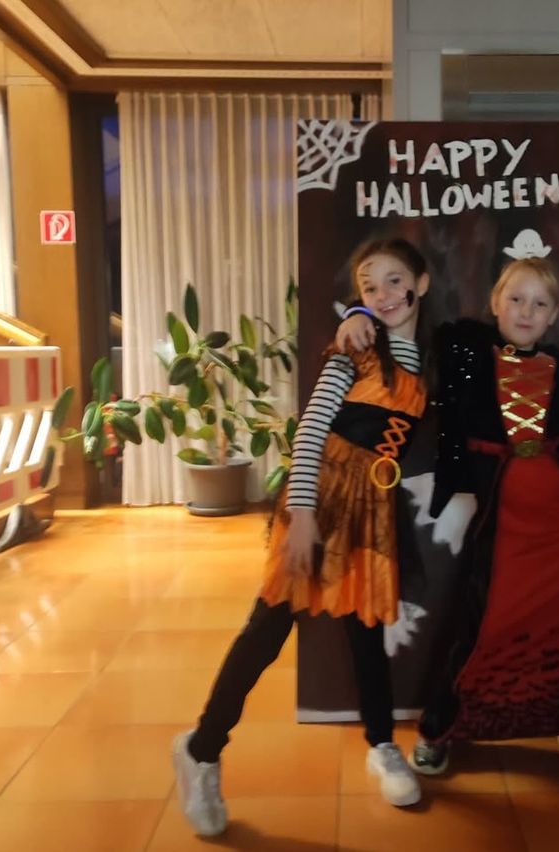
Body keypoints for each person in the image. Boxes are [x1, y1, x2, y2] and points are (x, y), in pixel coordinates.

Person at [336, 255, 559, 783]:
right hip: (505, 522)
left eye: (539, 304)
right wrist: (357, 312)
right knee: (485, 625)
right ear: (496, 302)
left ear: (554, 316)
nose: (526, 311)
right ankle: (441, 727)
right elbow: (402, 308)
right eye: (516, 299)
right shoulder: (462, 346)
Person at [172, 237, 432, 836]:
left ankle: (380, 744)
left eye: (395, 281)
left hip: (371, 507)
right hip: (318, 499)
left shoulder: (424, 355)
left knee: (366, 630)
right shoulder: (352, 351)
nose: (384, 295)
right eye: (369, 287)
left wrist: (365, 317)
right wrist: (306, 514)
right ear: (356, 298)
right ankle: (202, 750)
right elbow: (311, 432)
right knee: (267, 629)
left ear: (422, 282)